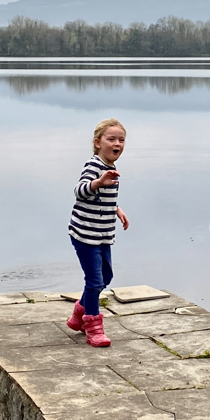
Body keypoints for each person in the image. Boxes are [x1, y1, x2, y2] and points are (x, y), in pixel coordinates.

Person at [66, 118, 130, 347]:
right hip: (84, 234)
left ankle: (78, 314)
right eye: (111, 139)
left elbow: (102, 198)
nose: (117, 143)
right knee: (94, 282)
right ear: (97, 143)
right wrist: (98, 183)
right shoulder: (94, 165)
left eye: (121, 140)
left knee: (106, 277)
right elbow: (80, 191)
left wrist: (116, 209)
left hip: (103, 234)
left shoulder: (111, 168)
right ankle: (93, 327)